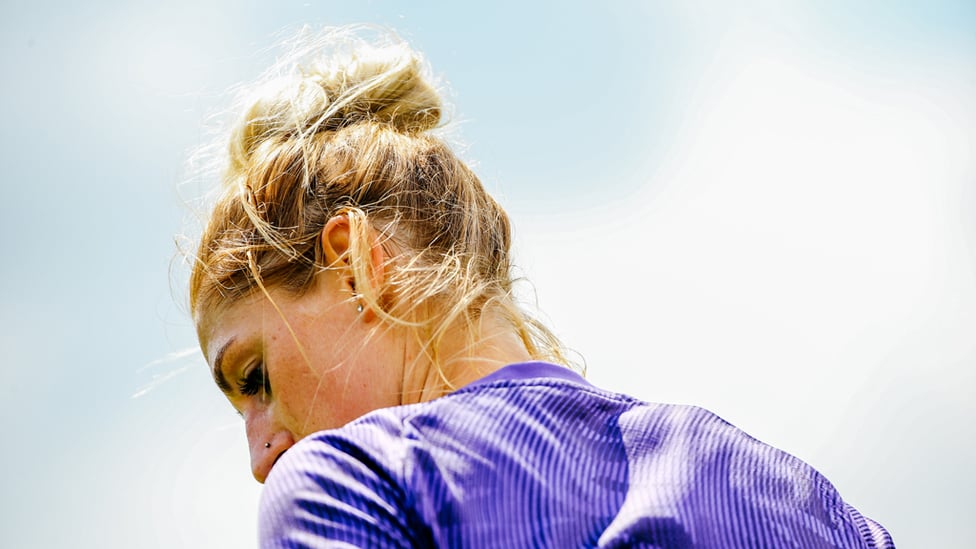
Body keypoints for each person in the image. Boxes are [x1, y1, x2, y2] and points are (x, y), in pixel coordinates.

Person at [189, 27, 894, 548]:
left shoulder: (348, 484)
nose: (261, 456)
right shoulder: (803, 499)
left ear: (356, 266)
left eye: (254, 377)